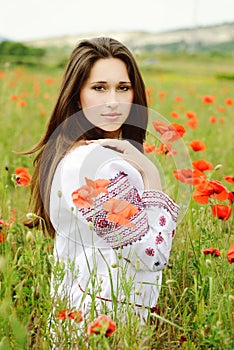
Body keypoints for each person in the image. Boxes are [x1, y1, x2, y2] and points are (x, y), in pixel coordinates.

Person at [25, 37, 180, 326]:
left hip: (80, 316)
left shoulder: (70, 153)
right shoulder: (98, 165)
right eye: (99, 88)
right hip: (105, 324)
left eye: (123, 88)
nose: (113, 101)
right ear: (77, 95)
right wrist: (152, 176)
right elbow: (151, 255)